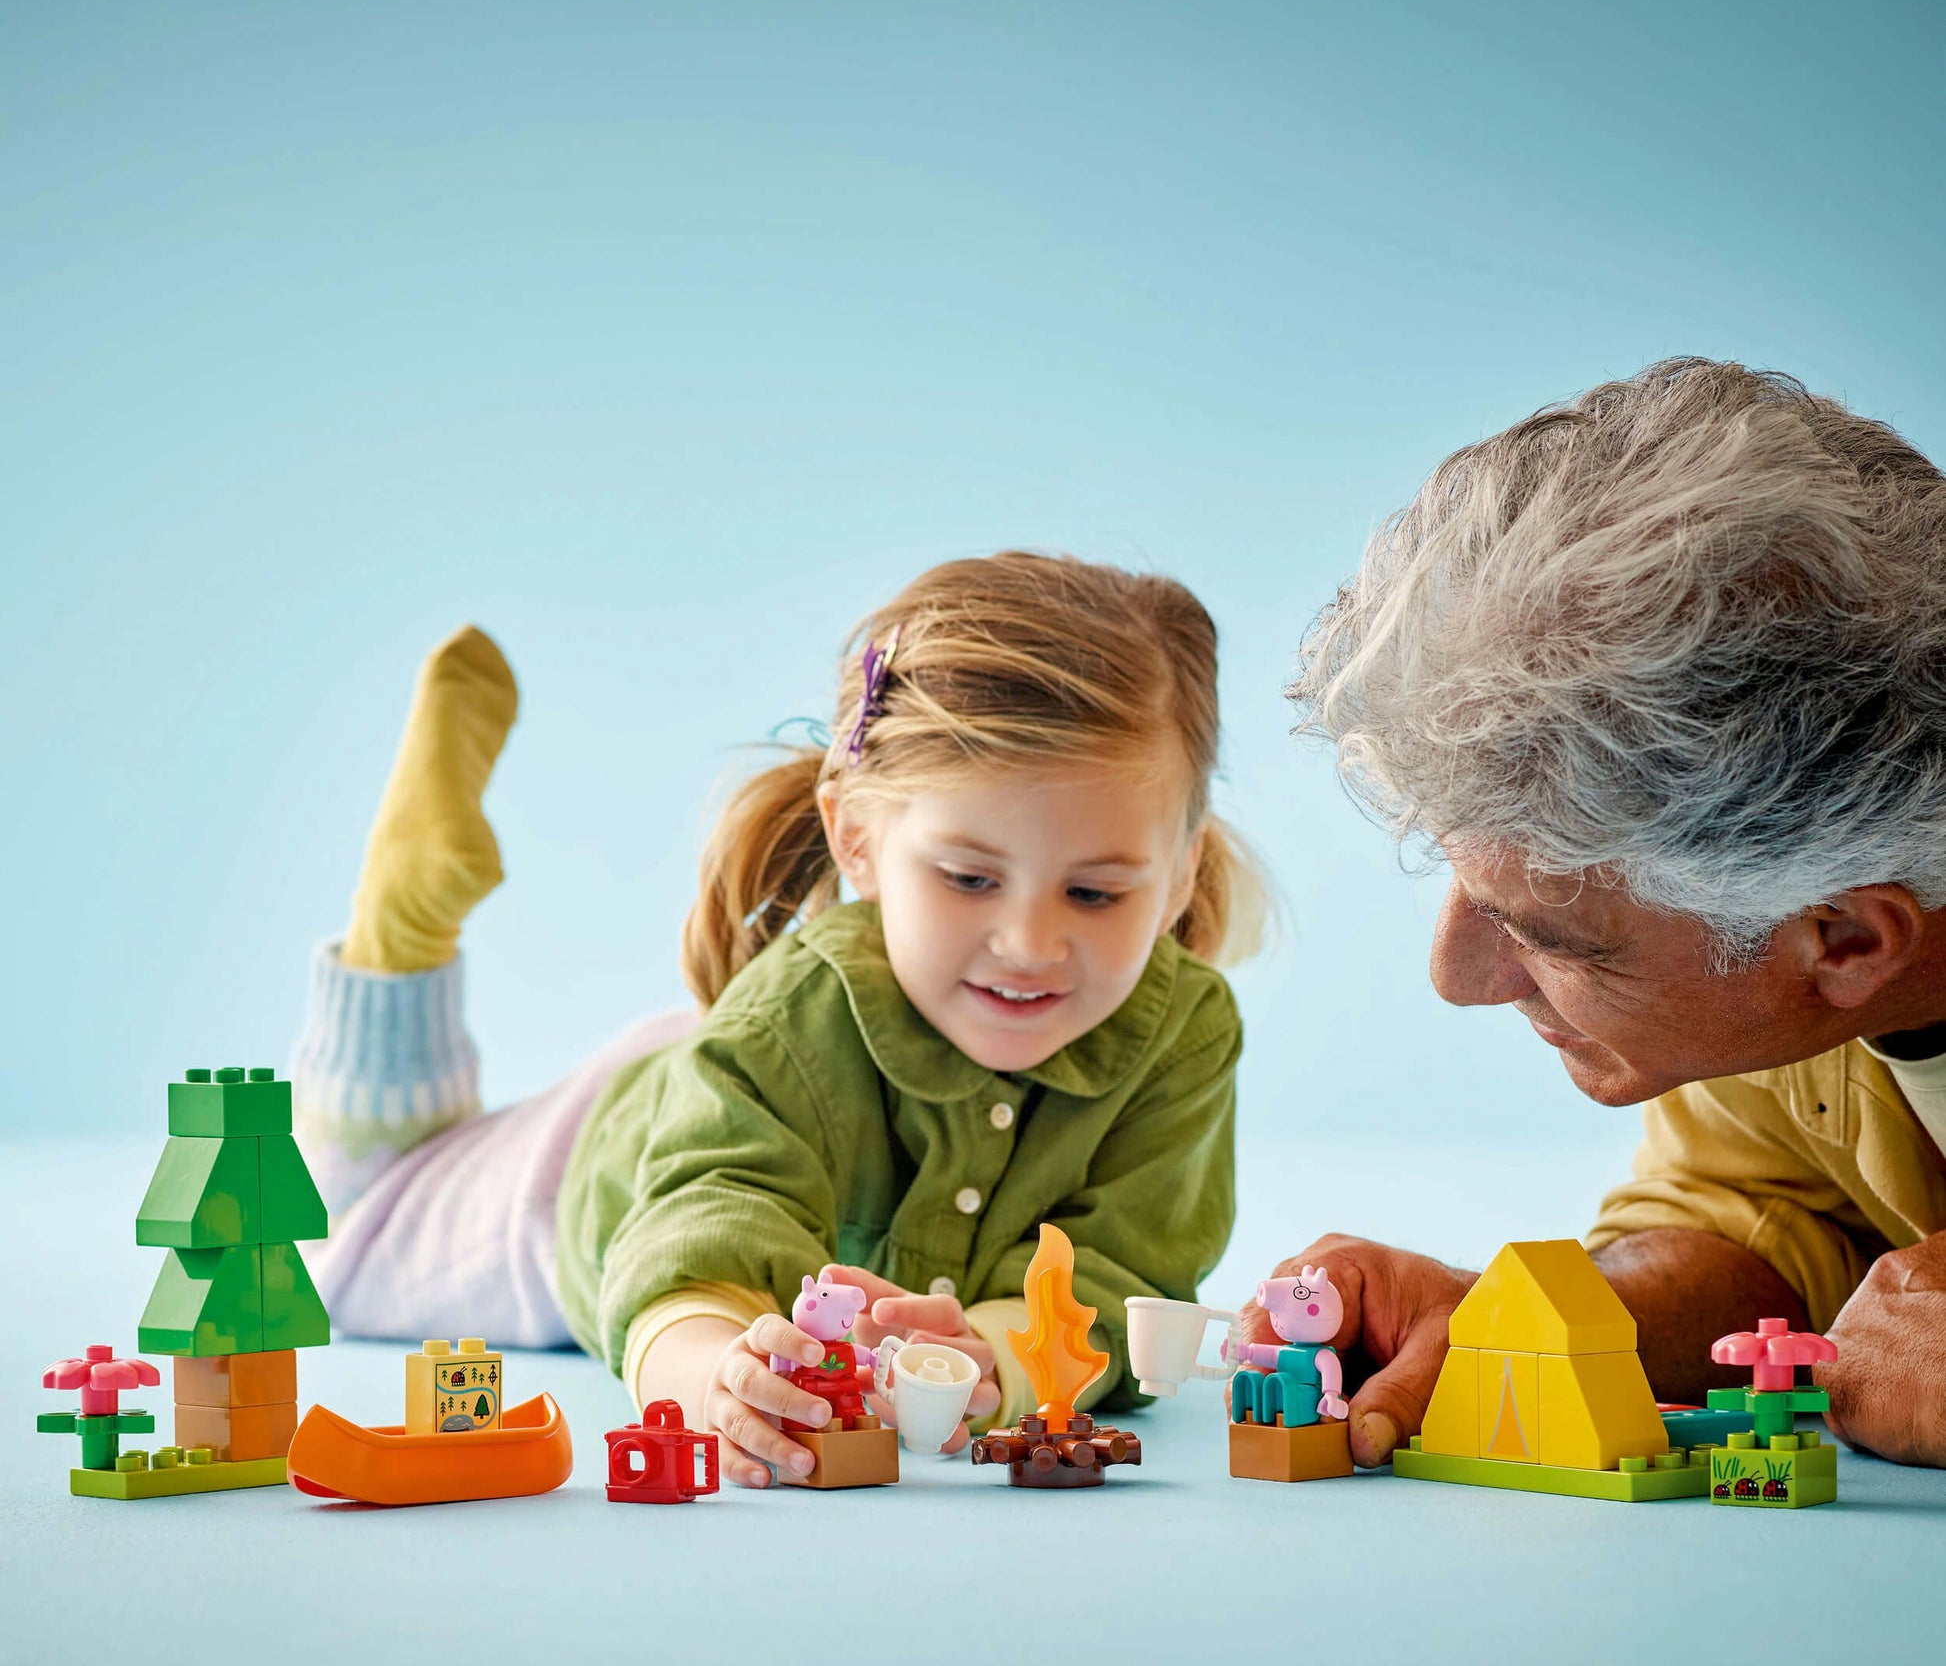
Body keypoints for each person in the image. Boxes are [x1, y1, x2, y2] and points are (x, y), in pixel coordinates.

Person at [292, 551, 1264, 1486]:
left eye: (1093, 893)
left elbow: (1121, 1270)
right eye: (969, 878)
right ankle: (398, 934)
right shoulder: (791, 1013)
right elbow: (702, 1229)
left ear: (1178, 872)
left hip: (734, 1066)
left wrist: (994, 1360)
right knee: (336, 1238)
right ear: (856, 839)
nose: (1029, 943)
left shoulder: (1184, 1032)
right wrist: (715, 1380)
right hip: (588, 1168)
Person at [1244, 358, 1946, 1471]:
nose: (1456, 975)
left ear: (1847, 937)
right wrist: (1533, 1322)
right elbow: (1754, 1225)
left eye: (1544, 933)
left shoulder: (1776, 879)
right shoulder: (1779, 917)